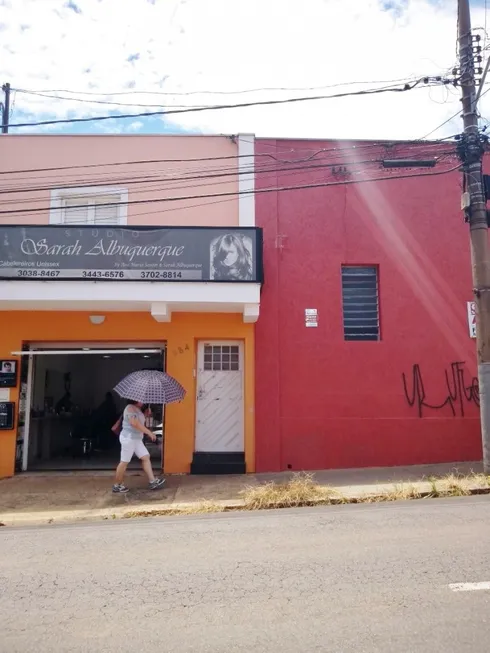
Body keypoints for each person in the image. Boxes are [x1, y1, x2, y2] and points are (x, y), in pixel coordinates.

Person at [112, 400, 165, 494]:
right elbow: (134, 423)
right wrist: (149, 432)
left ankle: (152, 481)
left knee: (145, 457)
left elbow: (139, 422)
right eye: (141, 399)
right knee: (124, 462)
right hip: (129, 438)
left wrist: (145, 414)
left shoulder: (138, 409)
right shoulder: (130, 408)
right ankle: (117, 485)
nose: (142, 401)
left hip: (136, 439)